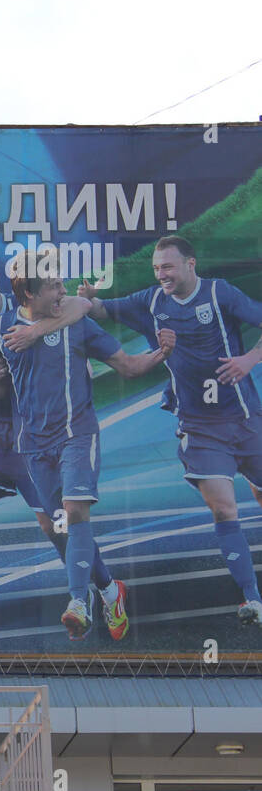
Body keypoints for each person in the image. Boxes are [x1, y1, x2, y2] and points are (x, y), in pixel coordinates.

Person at [42, 235, 262, 626]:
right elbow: (98, 308)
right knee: (225, 507)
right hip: (198, 427)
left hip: (245, 418)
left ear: (190, 264)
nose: (161, 274)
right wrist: (86, 299)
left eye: (168, 267)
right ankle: (252, 600)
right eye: (156, 268)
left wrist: (249, 359)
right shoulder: (151, 301)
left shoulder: (218, 293)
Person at [0, 248, 175, 640]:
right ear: (29, 297)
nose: (62, 289)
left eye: (61, 282)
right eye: (53, 285)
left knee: (75, 511)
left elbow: (129, 366)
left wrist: (162, 352)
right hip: (33, 446)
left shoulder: (78, 323)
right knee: (64, 527)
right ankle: (109, 588)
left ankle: (78, 602)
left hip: (77, 434)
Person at [0, 246, 99, 633]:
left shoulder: (26, 306)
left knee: (55, 524)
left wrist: (39, 330)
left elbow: (77, 306)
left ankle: (95, 589)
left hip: (32, 432)